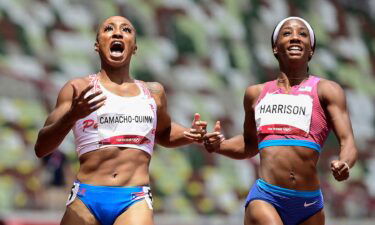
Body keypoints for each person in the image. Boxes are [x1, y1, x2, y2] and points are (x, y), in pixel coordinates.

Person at [34, 16, 206, 225]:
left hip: (133, 199)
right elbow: (41, 147)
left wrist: (190, 134)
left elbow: (163, 133)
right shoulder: (78, 89)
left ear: (134, 47)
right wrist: (71, 116)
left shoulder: (154, 92)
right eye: (108, 29)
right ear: (97, 45)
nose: (117, 33)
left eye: (126, 29)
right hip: (87, 198)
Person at [201, 17, 358, 225]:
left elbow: (348, 142)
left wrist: (345, 163)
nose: (295, 38)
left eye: (302, 34)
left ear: (311, 50)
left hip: (309, 204)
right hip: (267, 197)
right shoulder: (255, 94)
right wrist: (219, 145)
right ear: (275, 48)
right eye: (287, 34)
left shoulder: (327, 90)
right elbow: (249, 145)